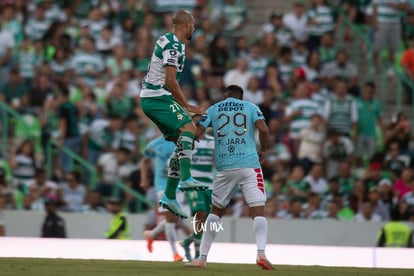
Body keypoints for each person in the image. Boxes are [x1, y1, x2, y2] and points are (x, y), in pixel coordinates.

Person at [186, 85, 273, 270]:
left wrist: (191, 140)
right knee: (258, 211)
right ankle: (261, 254)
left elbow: (198, 130)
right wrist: (263, 149)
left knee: (216, 211)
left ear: (225, 95)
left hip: (225, 166)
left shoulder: (214, 108)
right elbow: (264, 130)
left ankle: (201, 258)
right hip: (249, 164)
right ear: (241, 97)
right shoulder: (250, 107)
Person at [139, 10, 207, 219]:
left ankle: (169, 195)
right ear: (185, 24)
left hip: (156, 97)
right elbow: (169, 80)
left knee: (185, 141)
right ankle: (185, 178)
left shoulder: (167, 40)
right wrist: (186, 105)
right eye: (192, 25)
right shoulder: (174, 45)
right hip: (157, 97)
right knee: (189, 128)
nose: (194, 28)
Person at [141, 136, 185, 262]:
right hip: (162, 186)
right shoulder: (154, 144)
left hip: (179, 185)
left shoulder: (184, 141)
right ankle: (175, 253)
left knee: (173, 219)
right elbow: (145, 161)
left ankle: (151, 234)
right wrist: (144, 179)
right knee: (170, 218)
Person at [180, 129, 215, 261]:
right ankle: (197, 254)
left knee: (208, 219)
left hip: (209, 185)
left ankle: (188, 241)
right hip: (193, 184)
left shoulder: (212, 142)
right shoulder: (187, 141)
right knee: (200, 213)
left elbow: (216, 161)